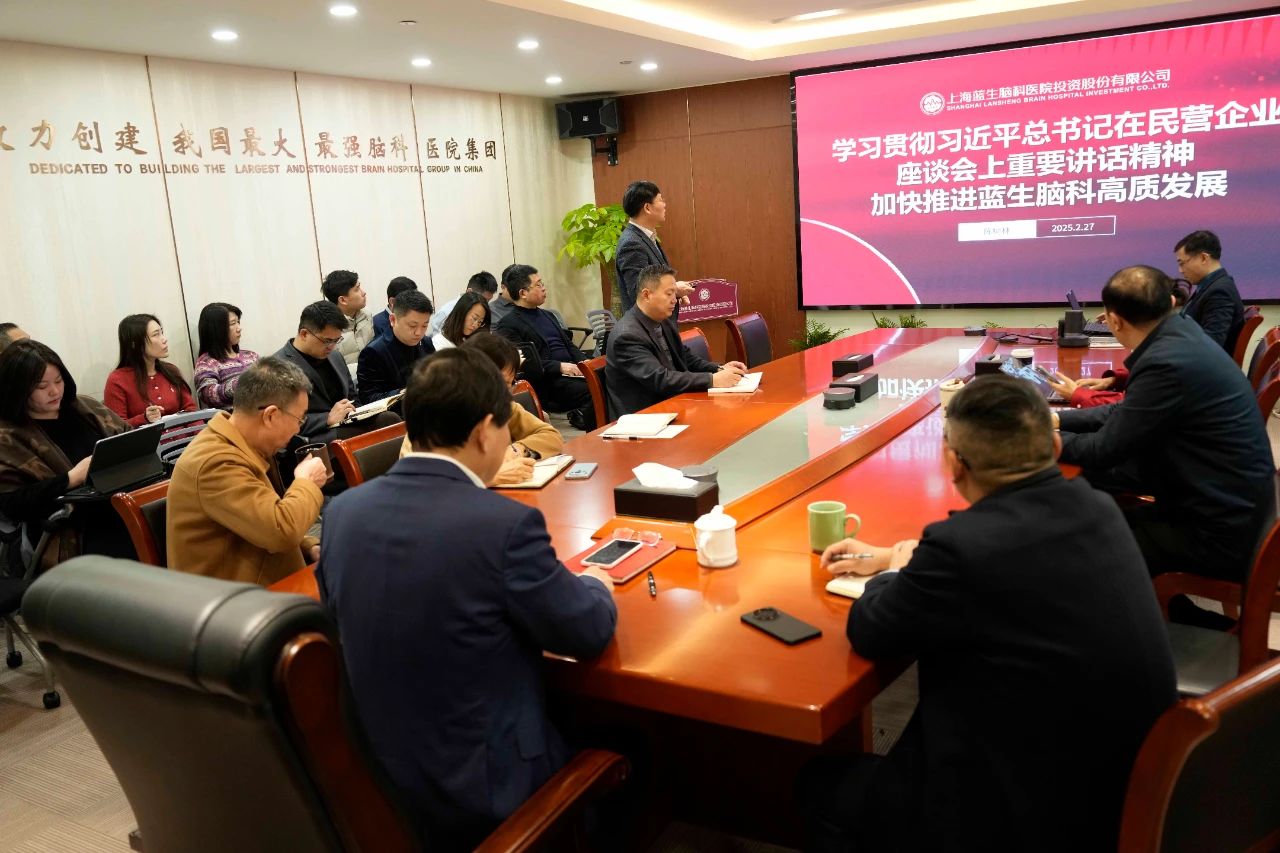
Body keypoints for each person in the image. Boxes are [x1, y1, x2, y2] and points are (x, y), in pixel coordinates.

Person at [802, 374, 1176, 853]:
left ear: (953, 463)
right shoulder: (1098, 507)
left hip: (1025, 814)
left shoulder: (962, 549)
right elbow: (1004, 562)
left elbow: (871, 630)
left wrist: (895, 570)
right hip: (1122, 790)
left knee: (821, 784)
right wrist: (903, 556)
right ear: (1052, 445)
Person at [317, 347, 616, 850]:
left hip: (379, 783)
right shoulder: (502, 525)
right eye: (505, 431)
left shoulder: (342, 514)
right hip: (488, 794)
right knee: (632, 748)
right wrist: (596, 586)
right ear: (483, 432)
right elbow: (586, 632)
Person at [1056, 265, 1273, 590]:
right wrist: (1058, 420)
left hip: (1217, 534)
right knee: (1093, 495)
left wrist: (1042, 440)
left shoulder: (1164, 362)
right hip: (1228, 504)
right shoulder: (1182, 334)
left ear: (1113, 321)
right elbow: (1127, 412)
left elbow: (1105, 449)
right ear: (1171, 302)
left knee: (1080, 542)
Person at [166, 357, 327, 585]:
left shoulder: (244, 444)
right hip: (233, 599)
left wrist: (308, 546)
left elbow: (258, 520)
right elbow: (280, 531)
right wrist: (307, 482)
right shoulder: (215, 462)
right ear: (270, 416)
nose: (298, 429)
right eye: (299, 419)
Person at [0, 340, 132, 566]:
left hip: (122, 500)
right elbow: (13, 504)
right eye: (42, 386)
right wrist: (71, 479)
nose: (54, 391)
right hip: (73, 527)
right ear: (18, 389)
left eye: (59, 381)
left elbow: (129, 438)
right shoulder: (8, 437)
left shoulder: (84, 408)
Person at [399, 334, 565, 486]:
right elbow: (420, 481)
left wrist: (517, 449)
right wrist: (488, 478)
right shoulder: (436, 411)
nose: (505, 393)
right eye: (499, 383)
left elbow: (551, 436)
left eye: (510, 384)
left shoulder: (505, 406)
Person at [605, 265, 745, 418]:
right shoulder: (627, 336)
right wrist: (712, 380)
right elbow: (660, 379)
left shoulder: (662, 320)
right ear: (646, 295)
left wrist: (718, 369)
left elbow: (684, 356)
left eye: (675, 293)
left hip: (672, 404)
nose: (674, 300)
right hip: (645, 417)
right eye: (669, 294)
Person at [1046, 279, 1189, 408]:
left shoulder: (1166, 355)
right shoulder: (1178, 336)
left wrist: (1077, 395)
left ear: (1115, 321)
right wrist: (1114, 380)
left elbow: (1129, 407)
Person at [494, 264, 596, 429]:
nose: (543, 288)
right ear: (523, 293)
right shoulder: (508, 324)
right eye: (538, 285)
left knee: (608, 377)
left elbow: (569, 345)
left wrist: (585, 362)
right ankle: (592, 430)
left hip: (571, 373)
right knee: (593, 389)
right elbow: (523, 362)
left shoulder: (548, 315)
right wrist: (560, 366)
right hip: (548, 380)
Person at [272, 301, 357, 445]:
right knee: (385, 422)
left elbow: (352, 397)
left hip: (348, 424)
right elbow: (281, 420)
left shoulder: (335, 356)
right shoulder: (277, 367)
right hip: (315, 438)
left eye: (337, 340)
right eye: (327, 341)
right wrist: (327, 418)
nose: (332, 347)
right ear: (304, 334)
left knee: (386, 418)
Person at [615, 180, 694, 315]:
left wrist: (674, 294)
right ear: (647, 208)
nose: (664, 205)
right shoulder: (632, 244)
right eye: (661, 200)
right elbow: (640, 294)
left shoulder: (645, 237)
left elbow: (655, 283)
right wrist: (674, 290)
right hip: (647, 326)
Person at [103, 314, 197, 426]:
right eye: (156, 335)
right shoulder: (117, 380)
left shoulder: (171, 370)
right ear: (135, 343)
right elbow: (117, 429)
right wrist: (144, 418)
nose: (164, 339)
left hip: (185, 436)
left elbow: (191, 410)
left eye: (161, 333)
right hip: (148, 438)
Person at [356, 289, 435, 405]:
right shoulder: (373, 352)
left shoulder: (426, 343)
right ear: (393, 320)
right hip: (397, 411)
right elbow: (368, 398)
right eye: (412, 325)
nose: (419, 333)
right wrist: (401, 394)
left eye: (424, 326)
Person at [1175, 229, 1246, 354]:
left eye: (1182, 263)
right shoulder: (1211, 285)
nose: (1180, 270)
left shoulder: (1219, 292)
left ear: (1203, 258)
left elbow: (1211, 345)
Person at [194, 302, 260, 409]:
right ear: (217, 329)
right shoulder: (206, 362)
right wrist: (243, 383)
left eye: (238, 322)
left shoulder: (251, 356)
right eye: (233, 323)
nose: (239, 328)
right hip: (232, 417)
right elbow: (208, 394)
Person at [321, 269, 374, 370]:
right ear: (343, 300)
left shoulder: (367, 315)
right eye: (357, 289)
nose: (363, 293)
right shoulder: (329, 327)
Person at [431, 270, 498, 336]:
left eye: (488, 301)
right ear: (469, 292)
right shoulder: (445, 313)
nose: (486, 305)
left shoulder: (483, 312)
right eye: (484, 300)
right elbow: (439, 341)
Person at [371, 276, 418, 341]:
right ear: (392, 302)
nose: (415, 304)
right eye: (409, 301)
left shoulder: (415, 317)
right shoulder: (376, 324)